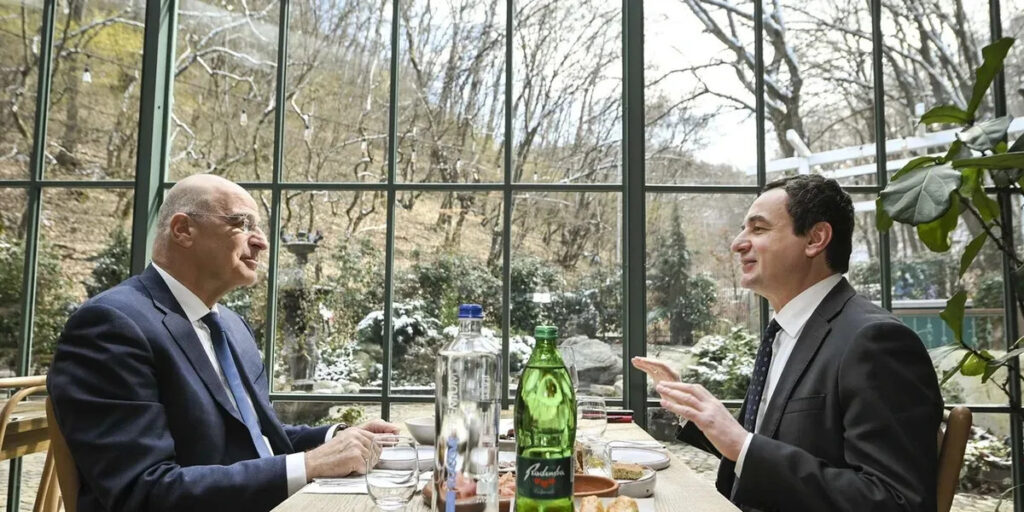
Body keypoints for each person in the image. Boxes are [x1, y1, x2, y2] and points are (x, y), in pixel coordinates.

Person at [48, 174, 399, 512]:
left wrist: (336, 438)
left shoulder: (231, 325)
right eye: (242, 224)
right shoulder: (110, 326)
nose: (261, 242)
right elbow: (143, 491)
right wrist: (309, 465)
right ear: (183, 230)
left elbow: (255, 437)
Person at [633, 174, 942, 512]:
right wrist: (693, 412)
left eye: (758, 229)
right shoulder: (785, 333)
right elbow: (764, 449)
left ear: (815, 239)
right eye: (743, 229)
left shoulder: (876, 341)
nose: (737, 243)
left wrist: (741, 443)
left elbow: (896, 501)